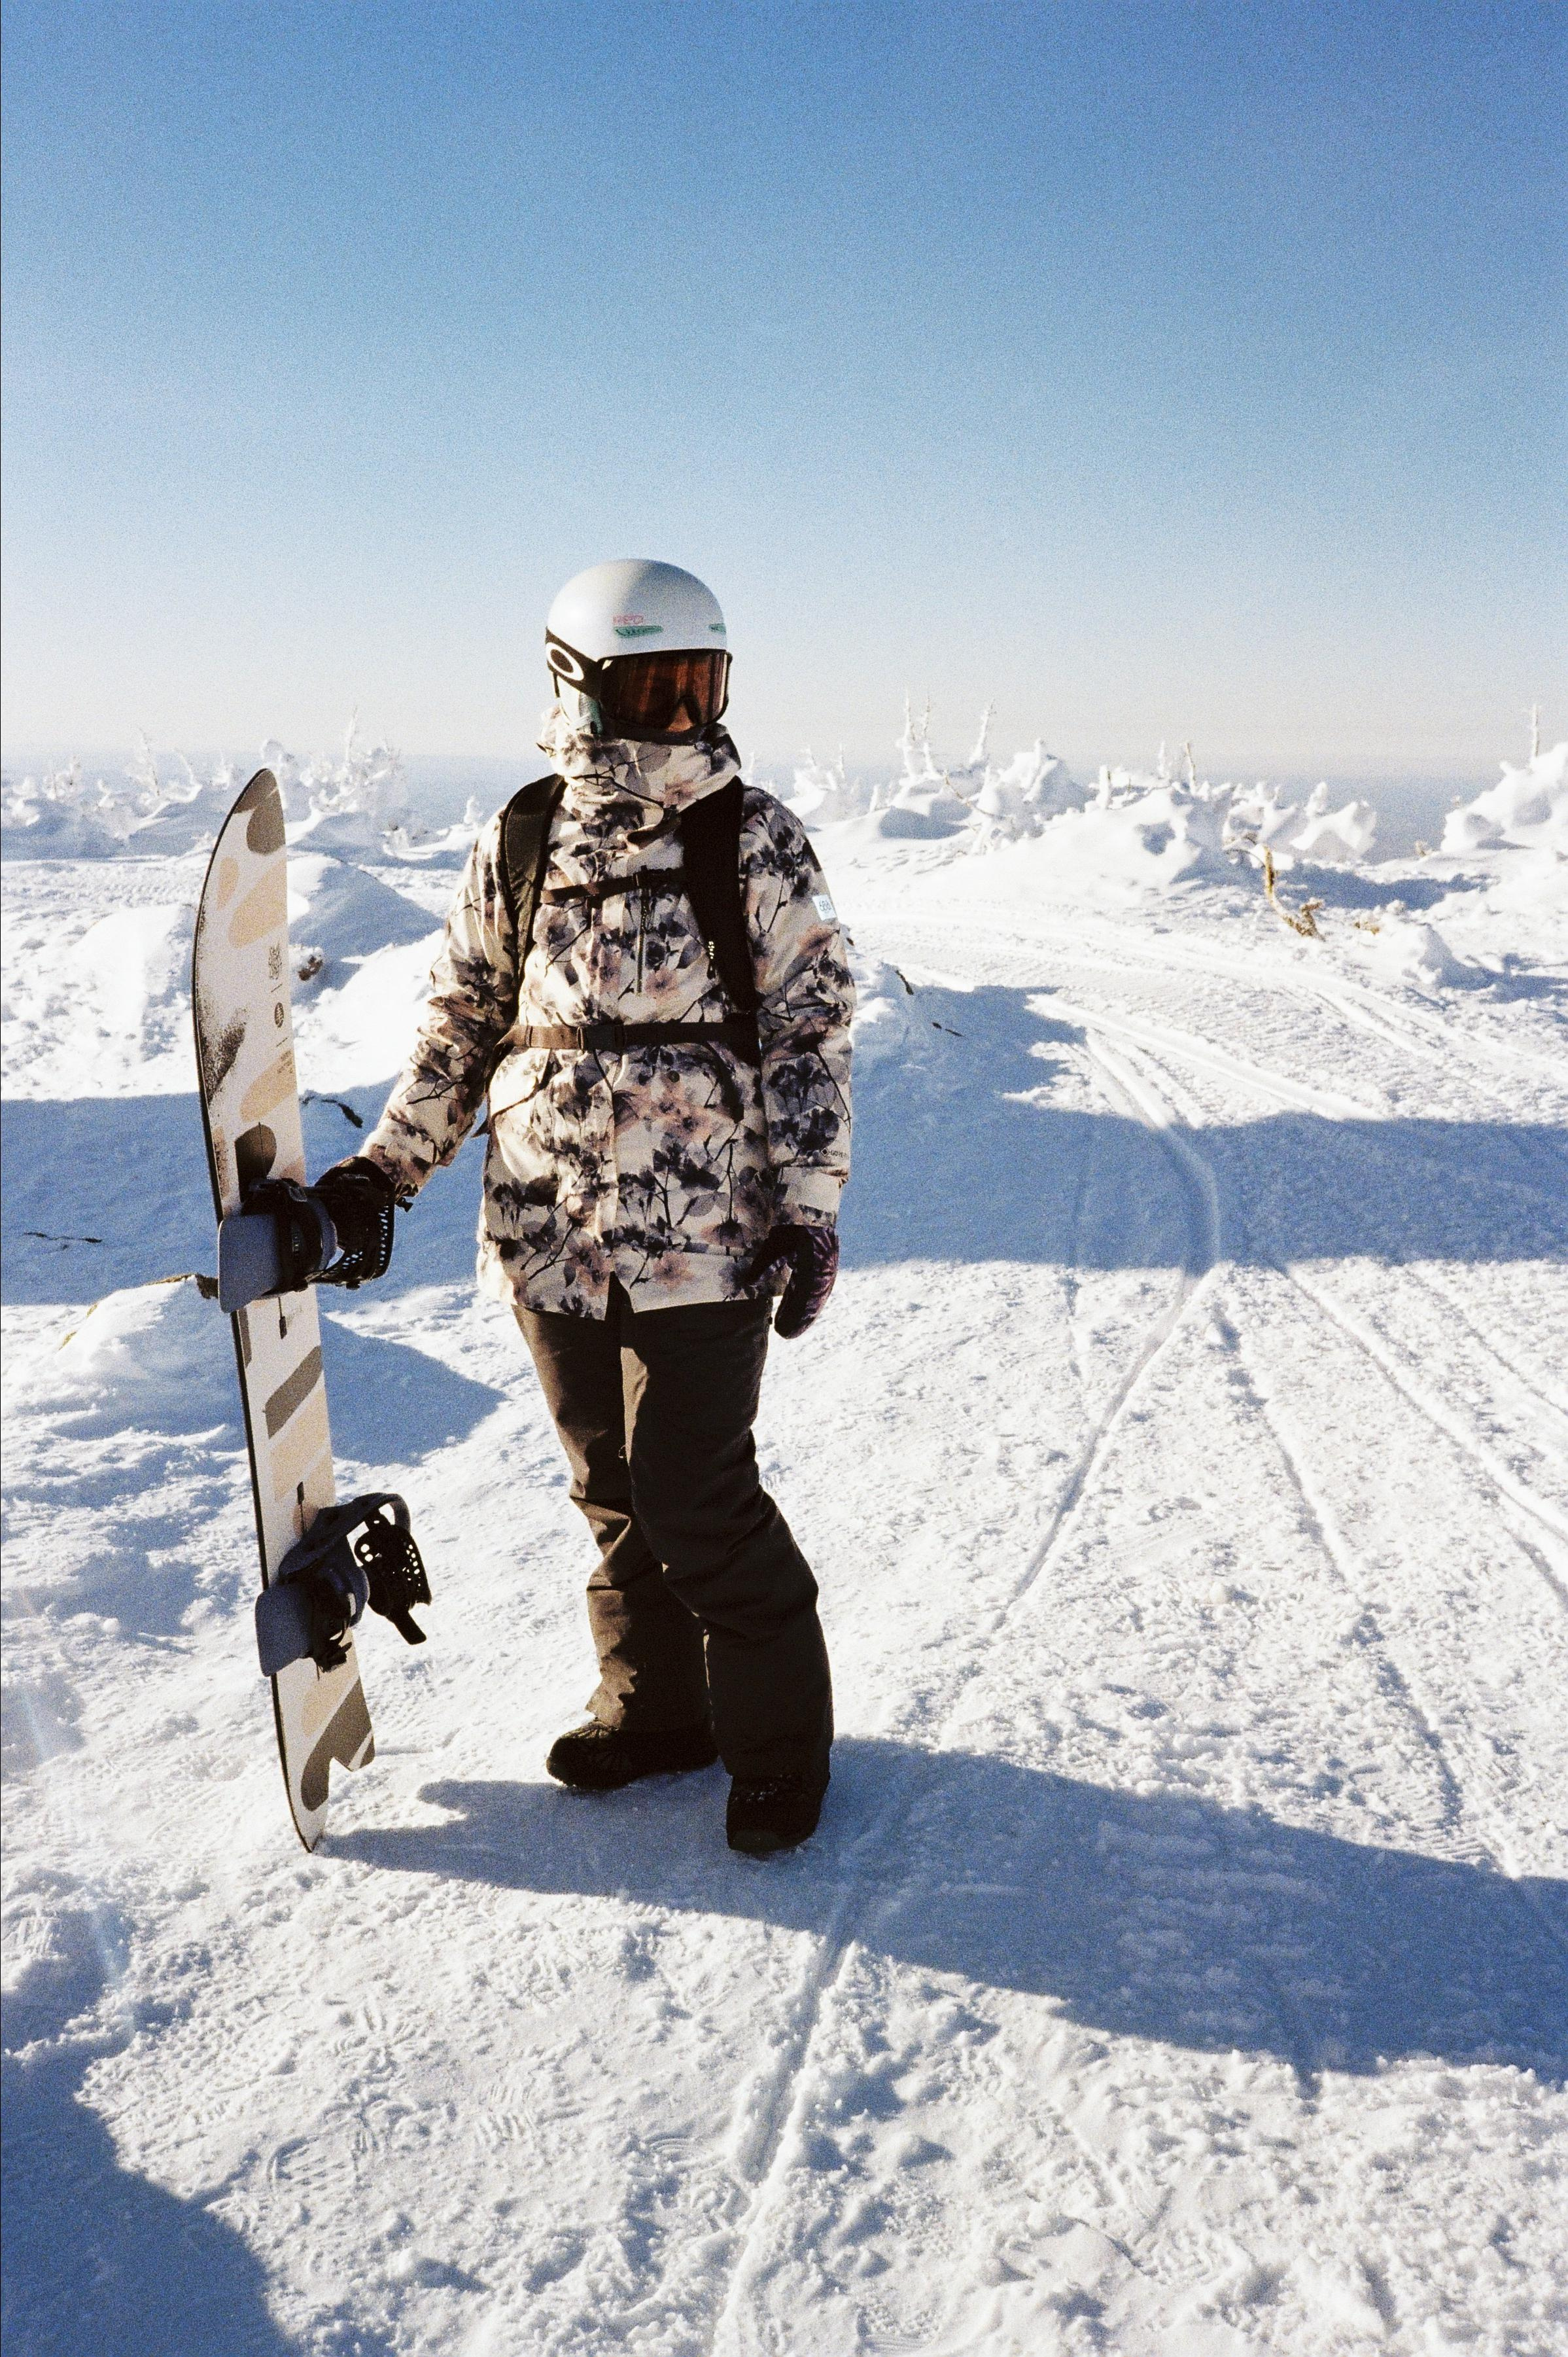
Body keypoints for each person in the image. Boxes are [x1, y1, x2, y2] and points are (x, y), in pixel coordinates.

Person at [321, 559, 854, 1854]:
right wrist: (385, 1168)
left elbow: (812, 1030)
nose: (682, 717)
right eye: (653, 687)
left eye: (700, 686)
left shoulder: (752, 833)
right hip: (547, 1227)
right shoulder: (520, 832)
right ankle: (656, 1706)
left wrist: (807, 1204)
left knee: (695, 1488)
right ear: (580, 689)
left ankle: (781, 1747)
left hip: (705, 1234)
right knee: (609, 1486)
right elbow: (461, 1019)